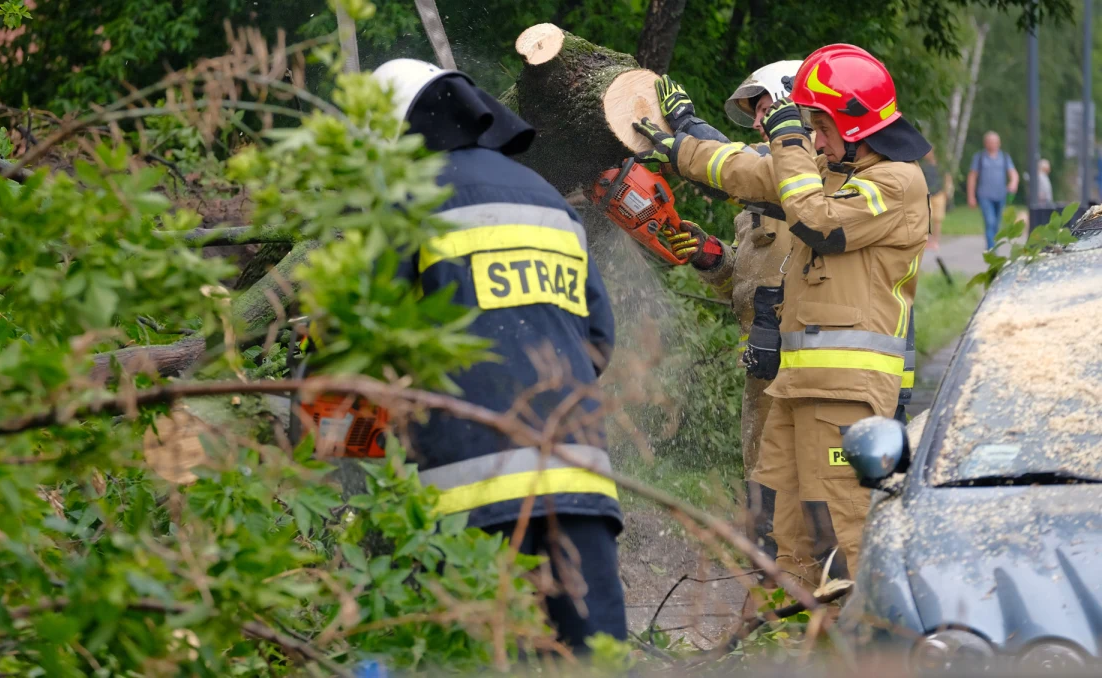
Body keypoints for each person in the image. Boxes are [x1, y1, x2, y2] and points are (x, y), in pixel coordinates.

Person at [632, 44, 929, 582]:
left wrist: (790, 139)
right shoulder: (828, 168)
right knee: (782, 529)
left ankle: (867, 643)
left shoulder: (896, 183)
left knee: (844, 525)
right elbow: (747, 168)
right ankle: (788, 629)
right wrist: (679, 150)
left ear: (854, 122)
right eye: (809, 127)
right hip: (796, 382)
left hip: (845, 387)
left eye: (820, 124)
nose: (813, 138)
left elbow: (816, 222)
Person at [370, 59, 626, 653]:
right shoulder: (547, 201)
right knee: (594, 660)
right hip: (576, 479)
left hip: (467, 490)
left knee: (474, 658)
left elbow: (367, 341)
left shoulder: (404, 204)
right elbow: (599, 341)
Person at [652, 61, 816, 587]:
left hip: (805, 363)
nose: (762, 118)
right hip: (763, 365)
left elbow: (740, 165)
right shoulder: (756, 201)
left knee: (804, 489)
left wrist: (688, 131)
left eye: (768, 104)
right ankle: (776, 595)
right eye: (758, 110)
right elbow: (746, 286)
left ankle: (809, 598)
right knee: (763, 488)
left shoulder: (815, 175)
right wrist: (710, 258)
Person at [967, 131, 1019, 249]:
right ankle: (991, 249)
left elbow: (1013, 173)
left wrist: (1013, 182)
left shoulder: (1004, 157)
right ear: (985, 143)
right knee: (990, 222)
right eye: (990, 142)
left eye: (995, 142)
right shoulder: (979, 157)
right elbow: (972, 177)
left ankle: (994, 245)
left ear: (999, 143)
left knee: (996, 224)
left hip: (1001, 195)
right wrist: (971, 196)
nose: (992, 144)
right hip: (985, 195)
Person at [921, 150, 946, 251]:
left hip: (939, 193)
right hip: (927, 194)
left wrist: (946, 191)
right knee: (927, 217)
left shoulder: (940, 166)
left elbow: (946, 178)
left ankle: (936, 240)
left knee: (937, 219)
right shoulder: (923, 167)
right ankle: (927, 240)